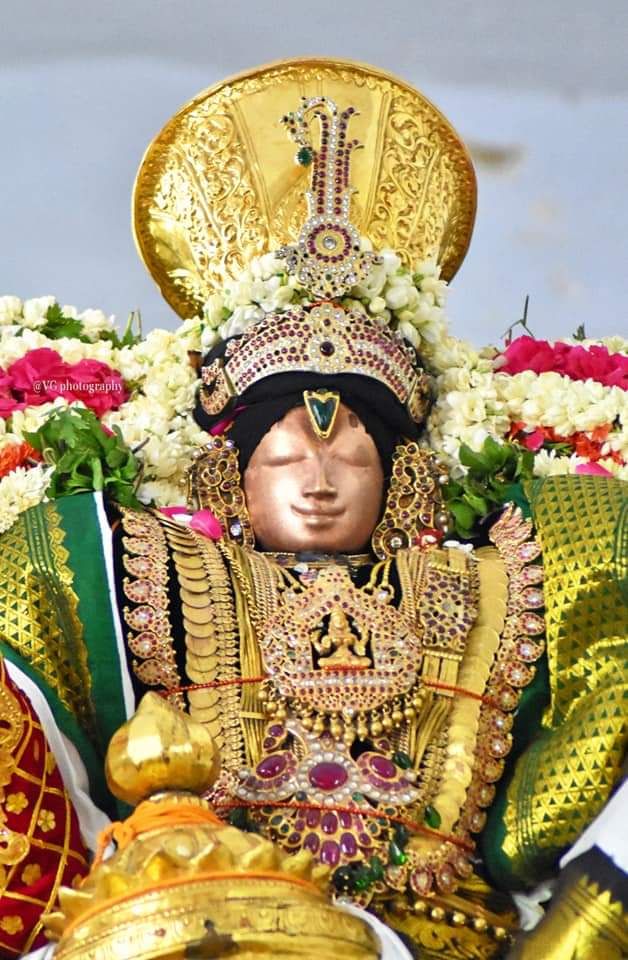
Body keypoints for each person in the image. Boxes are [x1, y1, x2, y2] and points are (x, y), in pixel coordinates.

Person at [0, 59, 625, 960]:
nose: (319, 478)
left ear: (402, 477)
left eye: (352, 454)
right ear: (230, 477)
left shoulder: (499, 576)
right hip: (212, 918)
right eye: (287, 454)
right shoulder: (135, 566)